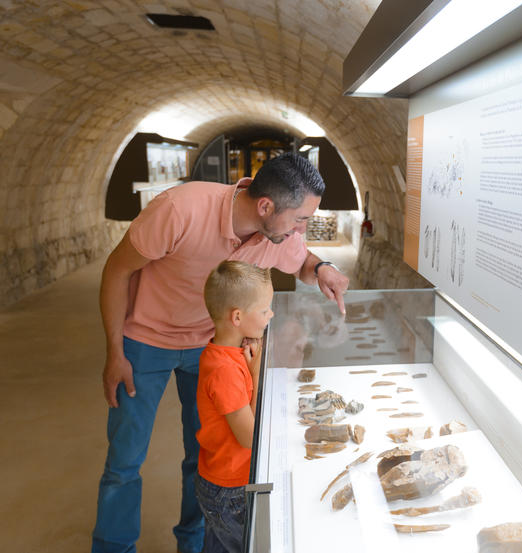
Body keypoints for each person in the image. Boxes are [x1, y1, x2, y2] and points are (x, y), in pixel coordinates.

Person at [93, 153, 349, 553]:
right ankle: (112, 547)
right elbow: (117, 270)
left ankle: (192, 543)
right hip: (146, 341)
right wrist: (115, 351)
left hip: (210, 346)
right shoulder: (180, 209)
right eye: (300, 219)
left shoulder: (276, 234)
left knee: (205, 456)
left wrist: (323, 269)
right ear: (265, 206)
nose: (303, 229)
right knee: (125, 462)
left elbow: (302, 261)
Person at [195, 260, 273, 553]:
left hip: (219, 479)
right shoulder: (224, 370)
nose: (271, 314)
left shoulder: (225, 352)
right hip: (230, 489)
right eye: (265, 310)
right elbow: (249, 438)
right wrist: (255, 374)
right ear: (237, 317)